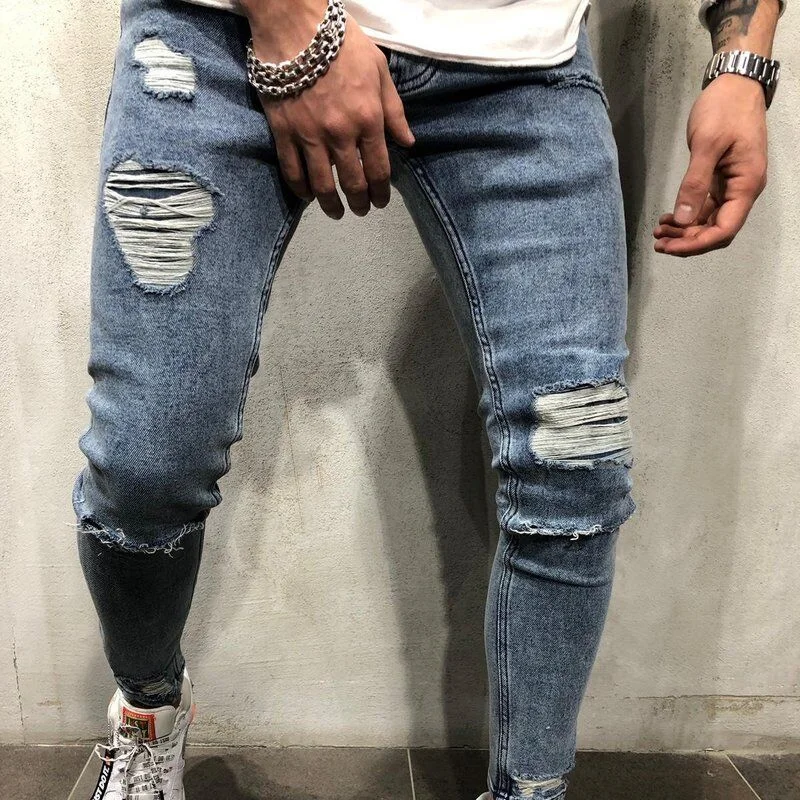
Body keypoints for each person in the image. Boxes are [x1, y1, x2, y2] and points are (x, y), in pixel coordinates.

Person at [72, 0, 785, 797]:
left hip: (517, 63)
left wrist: (742, 65)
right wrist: (287, 18)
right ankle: (149, 710)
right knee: (147, 461)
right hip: (219, 40)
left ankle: (531, 792)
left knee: (575, 464)